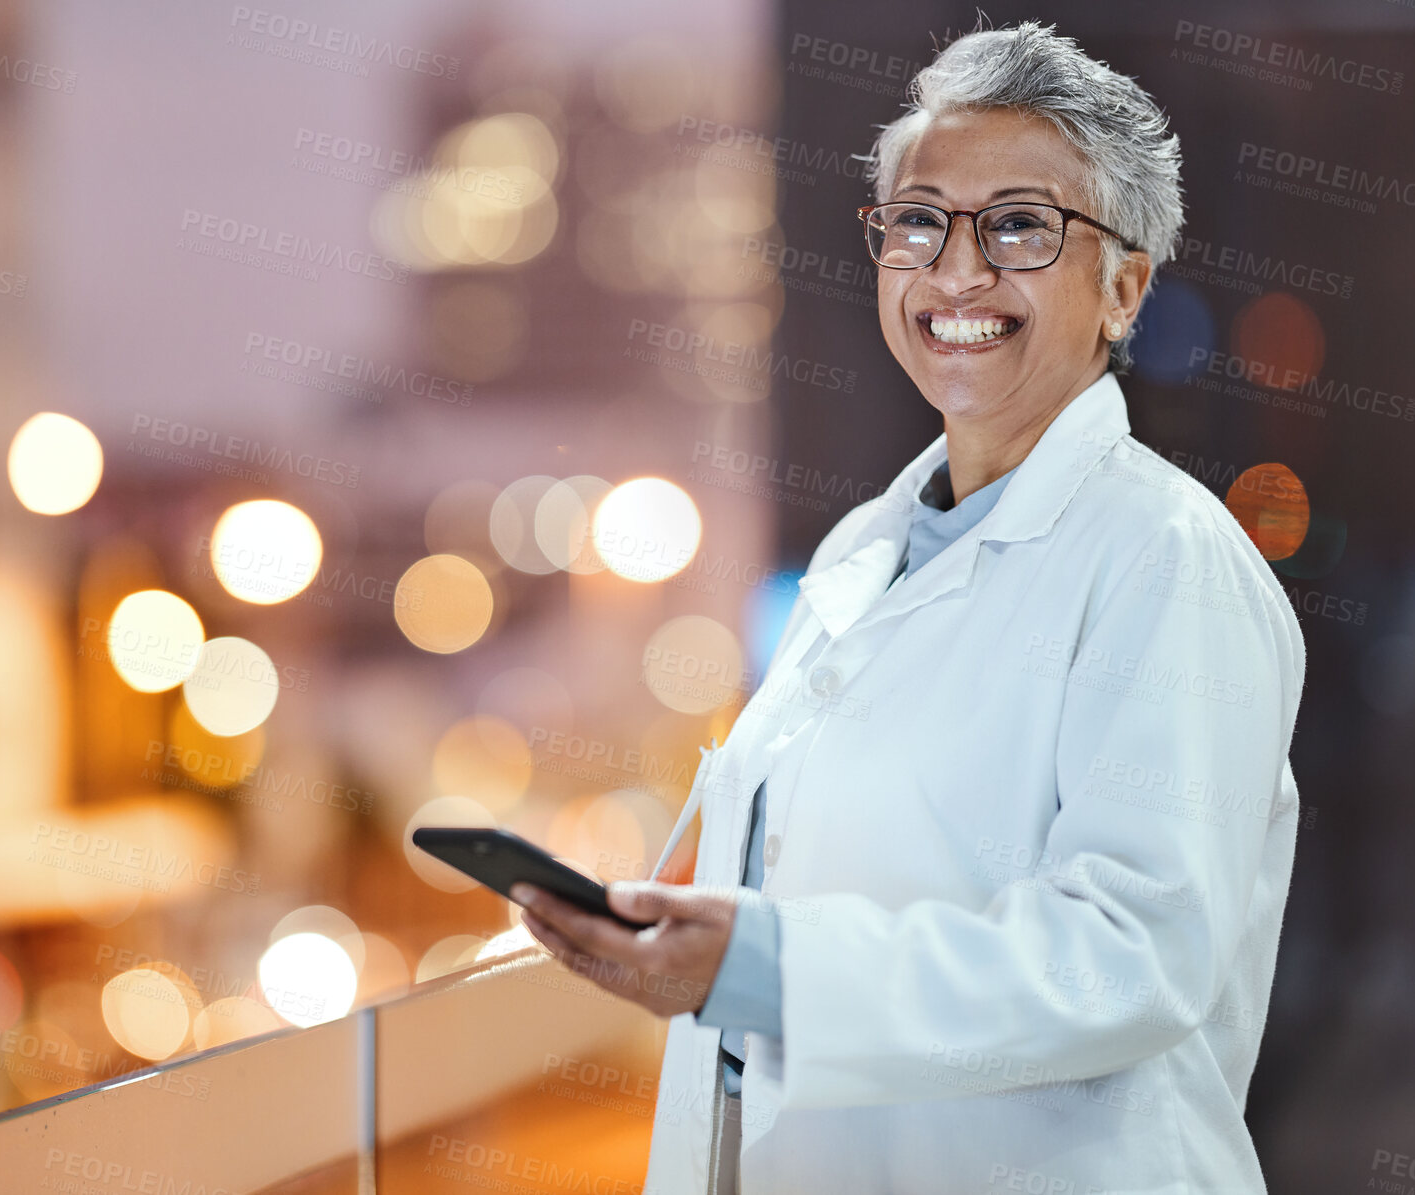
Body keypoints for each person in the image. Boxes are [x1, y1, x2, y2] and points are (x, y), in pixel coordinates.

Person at [511, 20, 1305, 1195]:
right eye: (918, 221)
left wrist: (768, 969)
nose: (956, 271)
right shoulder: (864, 553)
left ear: (1123, 287)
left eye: (1020, 226)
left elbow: (1129, 951)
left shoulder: (1164, 560)